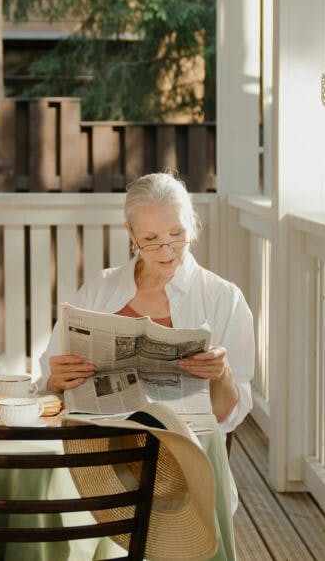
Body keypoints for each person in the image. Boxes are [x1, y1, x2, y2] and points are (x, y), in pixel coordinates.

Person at [38, 173, 254, 510]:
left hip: (180, 466)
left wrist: (221, 372)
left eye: (177, 234)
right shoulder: (100, 288)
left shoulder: (223, 298)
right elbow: (49, 384)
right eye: (151, 239)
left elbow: (227, 414)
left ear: (192, 224)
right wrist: (55, 380)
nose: (166, 250)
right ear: (131, 235)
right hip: (97, 457)